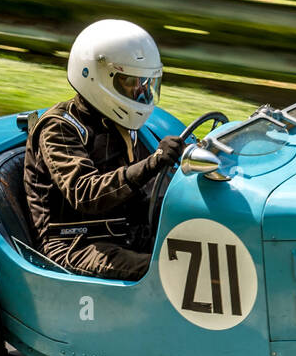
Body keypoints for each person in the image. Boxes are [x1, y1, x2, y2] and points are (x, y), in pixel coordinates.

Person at [24, 19, 186, 280]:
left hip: (123, 231)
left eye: (146, 84)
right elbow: (85, 194)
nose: (140, 92)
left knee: (204, 250)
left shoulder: (123, 122)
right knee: (170, 273)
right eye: (131, 82)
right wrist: (153, 162)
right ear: (95, 76)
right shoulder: (60, 128)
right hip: (74, 244)